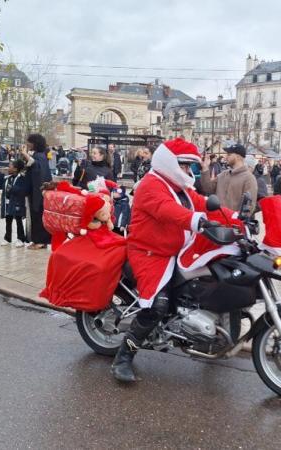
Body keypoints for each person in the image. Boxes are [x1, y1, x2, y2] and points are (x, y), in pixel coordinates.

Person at [110, 138, 214, 382]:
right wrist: (195, 220)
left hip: (175, 248)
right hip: (149, 252)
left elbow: (202, 203)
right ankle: (123, 357)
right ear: (170, 162)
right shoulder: (150, 185)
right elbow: (166, 209)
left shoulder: (180, 187)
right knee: (158, 306)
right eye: (185, 166)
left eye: (191, 167)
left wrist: (236, 217)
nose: (189, 171)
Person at [201, 143, 258, 213]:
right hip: (217, 221)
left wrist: (237, 220)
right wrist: (205, 168)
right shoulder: (223, 174)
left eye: (229, 154)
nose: (226, 157)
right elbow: (208, 188)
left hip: (233, 222)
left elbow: (249, 206)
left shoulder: (249, 178)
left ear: (238, 157)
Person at [21, 133, 52, 250]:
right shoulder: (39, 155)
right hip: (36, 191)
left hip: (38, 193)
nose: (27, 144)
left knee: (38, 216)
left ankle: (40, 241)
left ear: (35, 143)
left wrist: (25, 155)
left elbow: (36, 166)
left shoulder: (39, 156)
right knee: (36, 216)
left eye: (29, 141)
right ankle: (37, 240)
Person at [0, 159, 30, 247]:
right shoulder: (7, 178)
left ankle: (20, 238)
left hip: (17, 203)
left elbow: (24, 190)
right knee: (8, 220)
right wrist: (0, 174)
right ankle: (7, 238)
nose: (8, 168)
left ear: (15, 169)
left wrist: (12, 189)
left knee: (18, 220)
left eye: (10, 166)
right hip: (7, 203)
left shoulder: (22, 178)